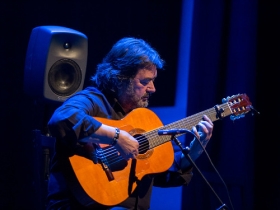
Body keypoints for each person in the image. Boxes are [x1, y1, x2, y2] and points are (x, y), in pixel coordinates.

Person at [45, 37, 214, 210]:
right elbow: (62, 118)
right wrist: (116, 137)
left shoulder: (144, 120)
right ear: (120, 78)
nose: (153, 88)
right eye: (145, 81)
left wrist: (194, 151)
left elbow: (163, 174)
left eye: (153, 80)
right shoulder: (93, 100)